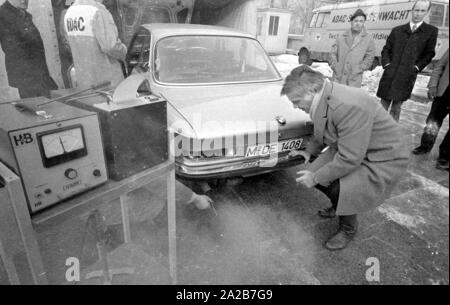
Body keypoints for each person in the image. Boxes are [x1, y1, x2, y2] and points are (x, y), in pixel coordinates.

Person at [282, 66, 409, 251]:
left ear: (311, 91)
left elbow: (350, 158)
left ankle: (348, 228)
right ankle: (339, 206)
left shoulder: (347, 105)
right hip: (355, 149)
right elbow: (322, 130)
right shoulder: (322, 96)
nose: (294, 106)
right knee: (308, 172)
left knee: (337, 187)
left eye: (296, 101)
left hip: (383, 157)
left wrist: (316, 177)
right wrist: (309, 153)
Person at [377, 0, 438, 122]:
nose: (418, 14)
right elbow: (386, 50)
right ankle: (377, 133)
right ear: (412, 10)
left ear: (427, 12)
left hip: (406, 77)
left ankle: (391, 135)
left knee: (396, 108)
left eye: (422, 11)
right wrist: (387, 64)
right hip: (390, 75)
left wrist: (416, 68)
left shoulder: (430, 31)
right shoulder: (397, 30)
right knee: (381, 108)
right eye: (416, 10)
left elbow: (429, 53)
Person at [0, 0, 57, 98]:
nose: (24, 0)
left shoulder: (21, 13)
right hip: (28, 81)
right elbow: (15, 51)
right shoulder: (3, 15)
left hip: (38, 77)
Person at [64, 0, 127, 88]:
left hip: (85, 82)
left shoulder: (69, 13)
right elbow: (110, 46)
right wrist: (127, 53)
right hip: (108, 84)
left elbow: (72, 46)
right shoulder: (97, 11)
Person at [412, 48, 449, 170]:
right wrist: (433, 85)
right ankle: (425, 145)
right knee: (433, 121)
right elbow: (439, 66)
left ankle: (445, 155)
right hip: (445, 92)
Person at [330, 8, 375, 88]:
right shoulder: (341, 36)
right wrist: (336, 66)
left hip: (354, 79)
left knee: (350, 99)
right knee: (335, 98)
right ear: (351, 22)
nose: (358, 24)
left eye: (361, 21)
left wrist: (359, 69)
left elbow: (370, 56)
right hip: (338, 77)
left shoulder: (368, 39)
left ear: (364, 23)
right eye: (356, 21)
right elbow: (332, 53)